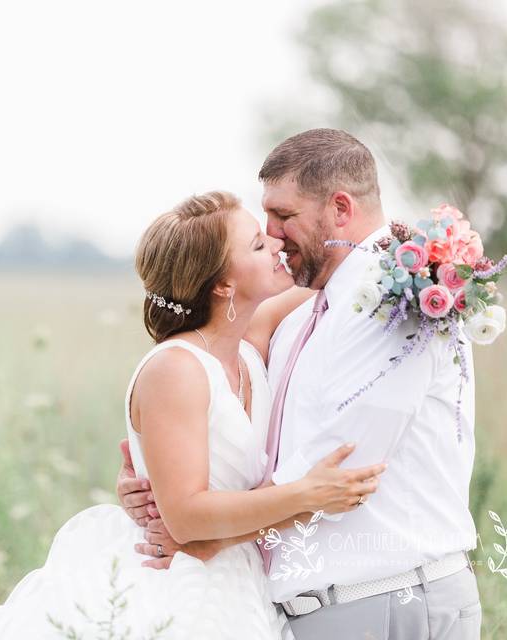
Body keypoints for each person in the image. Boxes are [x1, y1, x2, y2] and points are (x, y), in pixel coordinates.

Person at [0, 190, 386, 639]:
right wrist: (308, 494)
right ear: (223, 284)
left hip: (240, 578)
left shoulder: (248, 346)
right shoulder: (176, 369)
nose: (277, 244)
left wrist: (434, 252)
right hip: (174, 579)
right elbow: (184, 518)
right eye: (258, 245)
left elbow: (341, 278)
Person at [118, 129, 482, 639]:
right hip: (292, 607)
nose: (273, 236)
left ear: (339, 209)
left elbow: (339, 476)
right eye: (260, 230)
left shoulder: (397, 304)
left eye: (282, 217)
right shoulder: (296, 321)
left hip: (386, 598)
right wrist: (155, 486)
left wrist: (204, 538)